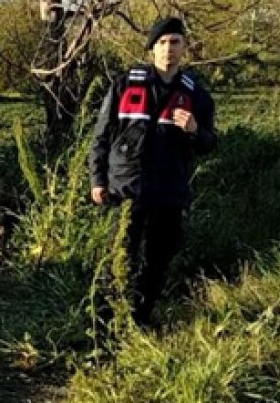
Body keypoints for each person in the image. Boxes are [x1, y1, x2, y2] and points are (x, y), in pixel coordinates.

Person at [89, 17, 218, 327]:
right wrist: (97, 179)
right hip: (126, 188)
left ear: (185, 47)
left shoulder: (196, 94)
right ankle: (103, 324)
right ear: (151, 49)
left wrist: (195, 130)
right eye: (162, 43)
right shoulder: (125, 84)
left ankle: (140, 319)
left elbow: (210, 143)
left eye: (175, 42)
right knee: (118, 257)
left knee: (157, 260)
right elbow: (102, 135)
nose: (168, 49)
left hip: (169, 190)